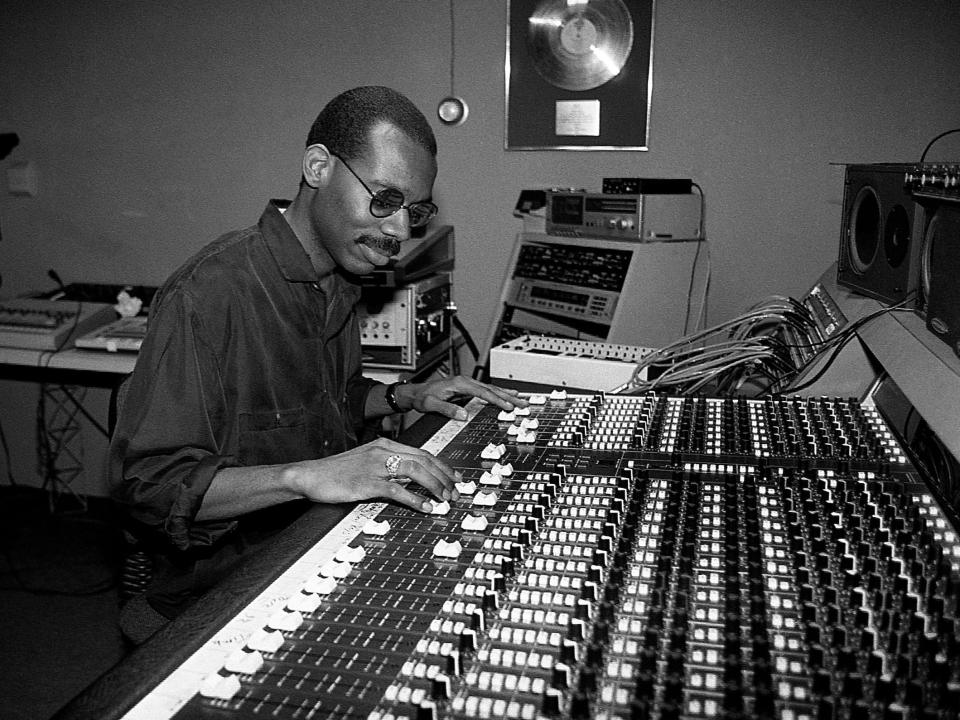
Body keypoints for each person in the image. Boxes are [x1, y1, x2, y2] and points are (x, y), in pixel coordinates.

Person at [109, 86, 525, 643]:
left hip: (321, 541)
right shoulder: (212, 292)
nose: (400, 230)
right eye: (383, 198)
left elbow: (324, 401)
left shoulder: (338, 280)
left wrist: (406, 395)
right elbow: (150, 486)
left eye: (414, 211)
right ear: (317, 167)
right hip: (226, 588)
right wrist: (305, 478)